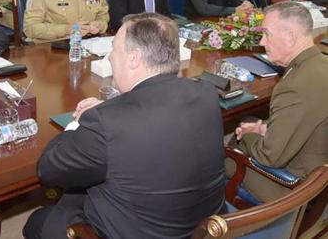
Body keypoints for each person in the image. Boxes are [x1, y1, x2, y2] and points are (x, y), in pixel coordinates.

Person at [23, 13, 225, 239]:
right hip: (202, 226)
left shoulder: (106, 123)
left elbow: (49, 170)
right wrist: (112, 108)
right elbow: (154, 115)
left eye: (115, 49)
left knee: (37, 222)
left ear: (134, 58)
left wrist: (76, 124)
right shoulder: (206, 93)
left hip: (137, 231)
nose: (110, 57)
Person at [233, 2, 328, 202]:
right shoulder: (320, 64)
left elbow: (269, 156)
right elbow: (305, 118)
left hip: (297, 188)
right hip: (317, 164)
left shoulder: (295, 86)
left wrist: (248, 135)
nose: (261, 41)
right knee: (251, 123)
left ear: (290, 36)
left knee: (218, 154)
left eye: (267, 34)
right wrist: (265, 129)